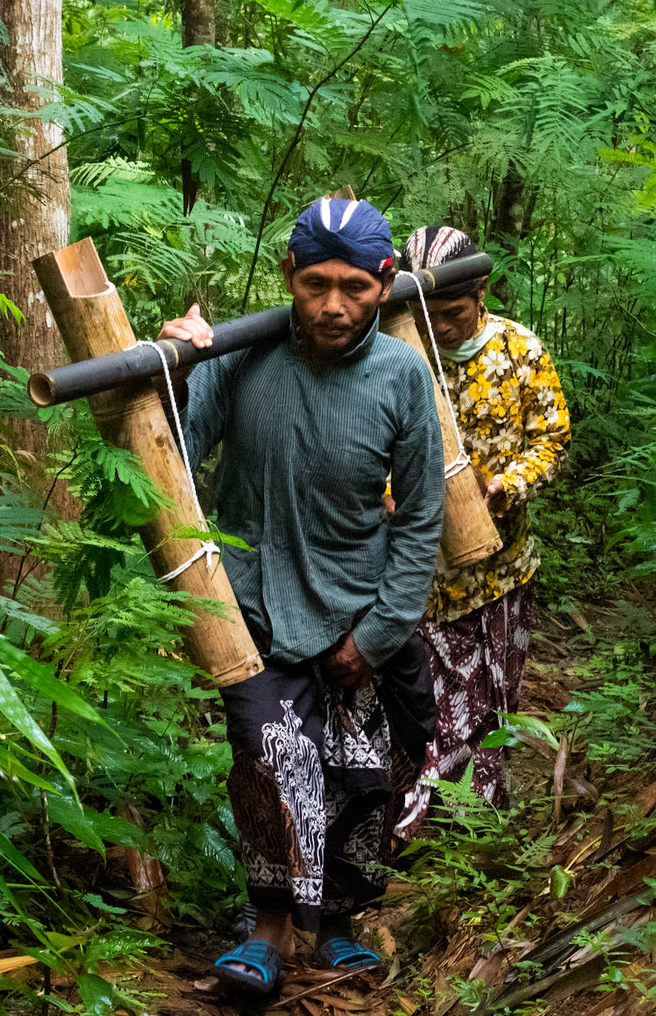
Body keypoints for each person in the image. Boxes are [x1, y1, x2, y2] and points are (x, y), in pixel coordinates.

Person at [157, 198, 445, 995]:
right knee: (267, 761)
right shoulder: (244, 356)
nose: (331, 305)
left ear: (384, 285)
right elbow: (176, 452)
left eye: (354, 287)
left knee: (364, 773)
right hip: (255, 605)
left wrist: (382, 631)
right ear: (289, 274)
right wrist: (178, 366)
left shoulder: (401, 374)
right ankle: (269, 930)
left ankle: (343, 925)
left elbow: (421, 516)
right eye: (315, 283)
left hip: (361, 607)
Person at [394, 225, 571, 838]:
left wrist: (509, 483)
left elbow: (551, 438)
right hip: (418, 575)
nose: (437, 327)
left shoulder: (518, 352)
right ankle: (419, 825)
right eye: (424, 315)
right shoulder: (397, 355)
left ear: (482, 294)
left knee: (494, 699)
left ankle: (478, 822)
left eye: (452, 313)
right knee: (431, 702)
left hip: (500, 569)